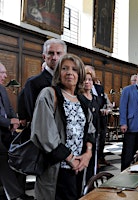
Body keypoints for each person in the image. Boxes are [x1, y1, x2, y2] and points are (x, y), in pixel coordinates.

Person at [30, 54, 95, 200]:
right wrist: (70, 159)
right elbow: (44, 133)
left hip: (79, 167)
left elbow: (90, 128)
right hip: (57, 168)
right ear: (59, 73)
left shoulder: (82, 100)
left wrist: (88, 153)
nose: (69, 72)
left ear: (80, 75)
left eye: (74, 69)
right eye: (64, 68)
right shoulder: (49, 94)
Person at [0, 62, 33, 200]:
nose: (5, 75)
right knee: (3, 160)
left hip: (7, 133)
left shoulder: (2, 89)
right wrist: (9, 122)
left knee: (20, 157)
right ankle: (15, 195)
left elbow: (10, 109)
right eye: (2, 73)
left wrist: (14, 119)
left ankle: (20, 191)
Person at [19, 38, 67, 126]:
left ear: (65, 57)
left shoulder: (69, 81)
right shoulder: (33, 83)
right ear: (44, 57)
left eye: (59, 53)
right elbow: (32, 115)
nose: (55, 57)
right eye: (51, 53)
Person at [85, 65, 111, 166]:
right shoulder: (83, 90)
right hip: (90, 121)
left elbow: (107, 102)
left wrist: (107, 109)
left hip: (101, 119)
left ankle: (100, 158)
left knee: (101, 140)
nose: (88, 81)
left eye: (90, 77)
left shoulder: (99, 88)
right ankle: (92, 161)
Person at [80, 69, 101, 183]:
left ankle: (91, 185)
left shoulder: (95, 98)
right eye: (85, 80)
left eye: (89, 80)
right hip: (84, 137)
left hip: (95, 134)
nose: (87, 82)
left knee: (93, 162)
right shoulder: (79, 98)